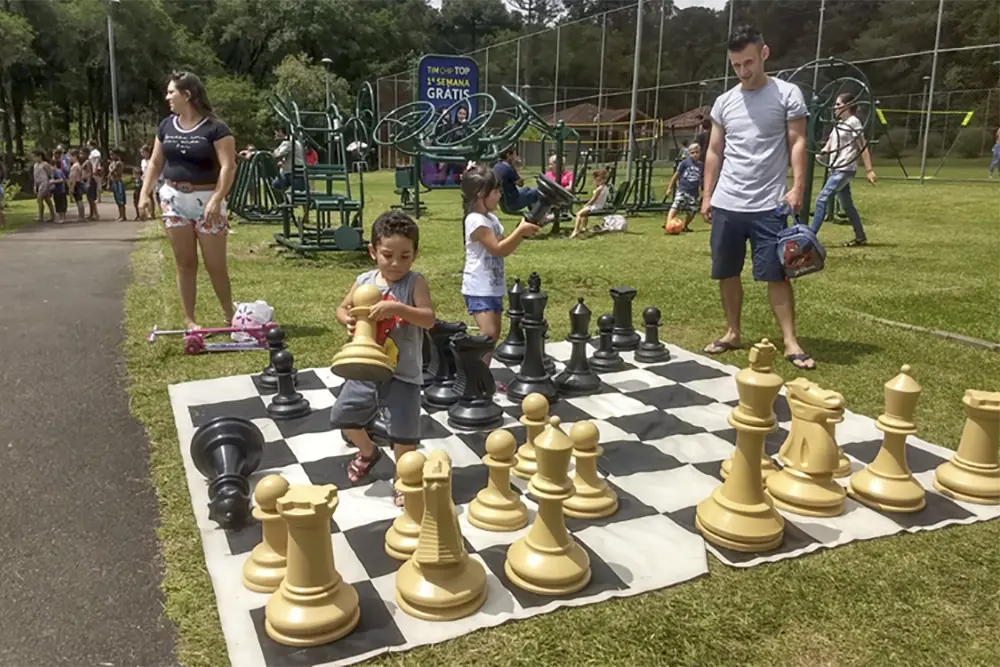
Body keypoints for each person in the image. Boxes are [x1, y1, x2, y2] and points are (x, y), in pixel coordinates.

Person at [700, 24, 815, 370]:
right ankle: (732, 332)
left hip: (768, 204)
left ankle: (791, 342)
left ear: (764, 54)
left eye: (748, 63)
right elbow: (714, 152)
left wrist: (797, 187)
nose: (743, 71)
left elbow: (797, 142)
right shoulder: (725, 102)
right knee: (726, 271)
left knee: (776, 274)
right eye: (736, 65)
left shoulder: (787, 94)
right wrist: (707, 195)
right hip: (727, 203)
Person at [330, 211, 436, 506]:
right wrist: (347, 321)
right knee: (343, 417)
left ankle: (403, 477)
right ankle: (368, 452)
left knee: (404, 434)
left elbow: (428, 319)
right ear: (373, 252)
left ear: (415, 254)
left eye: (405, 256)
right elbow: (342, 308)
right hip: (364, 367)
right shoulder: (364, 281)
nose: (396, 263)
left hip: (403, 372)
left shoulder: (414, 283)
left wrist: (398, 310)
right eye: (388, 255)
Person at [139, 71, 238, 330]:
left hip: (207, 201)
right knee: (185, 263)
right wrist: (144, 193)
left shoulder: (216, 128)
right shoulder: (165, 126)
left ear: (187, 94)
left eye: (172, 92)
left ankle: (231, 316)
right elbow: (156, 162)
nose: (167, 97)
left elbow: (228, 167)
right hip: (174, 200)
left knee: (215, 265)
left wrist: (218, 198)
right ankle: (191, 322)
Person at [461, 164, 540, 369]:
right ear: (480, 194)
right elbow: (498, 249)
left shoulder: (491, 219)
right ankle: (472, 373)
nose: (499, 195)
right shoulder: (475, 221)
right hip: (478, 286)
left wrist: (524, 230)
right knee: (488, 335)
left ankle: (481, 374)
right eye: (495, 191)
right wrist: (520, 232)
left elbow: (506, 245)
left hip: (492, 285)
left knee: (492, 335)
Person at [810, 93, 877, 246]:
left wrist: (869, 170)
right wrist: (822, 153)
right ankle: (860, 237)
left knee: (822, 199)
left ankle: (810, 235)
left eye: (838, 105)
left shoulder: (854, 123)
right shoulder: (840, 124)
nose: (835, 108)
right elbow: (830, 143)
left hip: (845, 168)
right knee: (847, 205)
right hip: (836, 168)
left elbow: (863, 146)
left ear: (847, 106)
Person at [665, 142, 703, 233]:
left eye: (697, 152)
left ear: (700, 153)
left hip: (693, 192)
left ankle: (684, 226)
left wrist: (703, 190)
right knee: (676, 205)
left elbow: (701, 179)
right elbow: (676, 175)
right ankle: (669, 224)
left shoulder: (701, 165)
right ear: (689, 154)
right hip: (683, 189)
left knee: (692, 210)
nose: (695, 155)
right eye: (692, 153)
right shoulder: (685, 163)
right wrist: (669, 187)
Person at [493, 148, 539, 213]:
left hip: (504, 202)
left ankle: (532, 211)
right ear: (508, 155)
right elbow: (520, 184)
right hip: (513, 203)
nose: (515, 157)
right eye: (514, 155)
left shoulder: (497, 166)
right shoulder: (508, 168)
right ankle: (538, 214)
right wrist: (515, 165)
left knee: (527, 189)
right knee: (538, 191)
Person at [570, 167, 609, 238]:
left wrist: (587, 204)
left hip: (596, 206)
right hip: (599, 205)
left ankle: (576, 231)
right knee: (585, 213)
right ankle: (584, 227)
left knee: (579, 214)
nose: (594, 181)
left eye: (595, 179)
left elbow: (593, 199)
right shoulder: (605, 187)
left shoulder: (599, 189)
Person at [272, 127, 305, 191]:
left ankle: (288, 195)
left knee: (298, 192)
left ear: (280, 131)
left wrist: (275, 153)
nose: (275, 135)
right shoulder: (294, 141)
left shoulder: (288, 142)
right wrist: (283, 160)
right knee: (276, 184)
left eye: (276, 133)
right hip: (292, 170)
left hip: (292, 171)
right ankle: (287, 196)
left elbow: (277, 154)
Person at [33, 151, 55, 223]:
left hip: (44, 183)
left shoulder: (45, 164)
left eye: (35, 156)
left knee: (39, 199)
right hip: (38, 183)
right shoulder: (35, 165)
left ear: (40, 156)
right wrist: (35, 185)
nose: (34, 158)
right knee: (47, 199)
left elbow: (50, 174)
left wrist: (51, 182)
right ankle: (52, 216)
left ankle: (40, 216)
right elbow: (35, 176)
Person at [108, 149, 127, 221]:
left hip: (118, 182)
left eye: (112, 154)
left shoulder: (119, 163)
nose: (111, 156)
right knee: (117, 200)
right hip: (113, 182)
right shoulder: (113, 163)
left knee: (121, 199)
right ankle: (120, 215)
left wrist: (110, 168)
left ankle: (123, 216)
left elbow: (112, 171)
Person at [49, 156, 68, 224]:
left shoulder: (57, 172)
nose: (50, 168)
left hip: (60, 191)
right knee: (58, 204)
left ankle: (62, 218)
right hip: (57, 191)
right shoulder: (56, 172)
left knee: (61, 204)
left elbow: (61, 180)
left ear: (55, 166)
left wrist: (53, 181)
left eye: (51, 166)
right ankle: (61, 218)